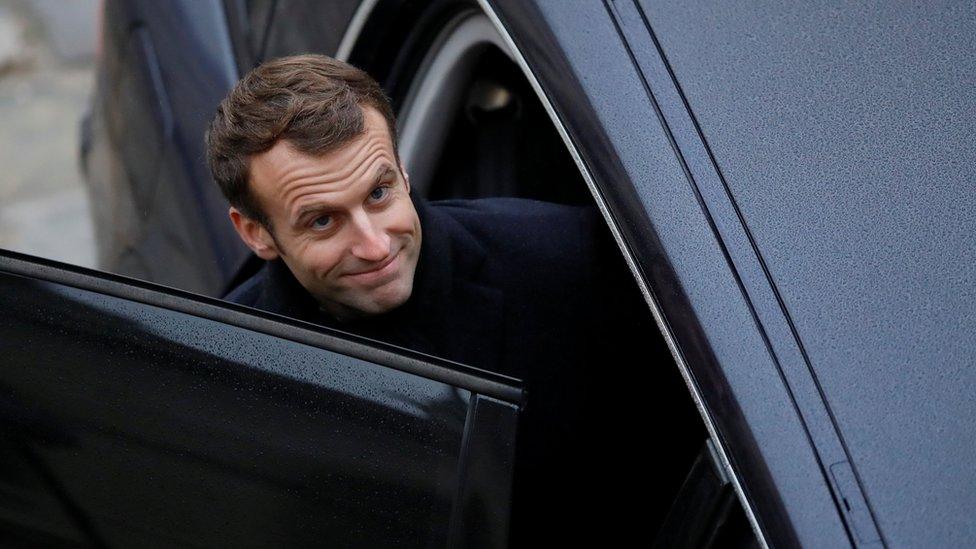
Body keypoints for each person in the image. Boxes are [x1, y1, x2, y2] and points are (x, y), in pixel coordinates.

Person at [205, 54, 691, 542]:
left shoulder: (572, 264)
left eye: (379, 194)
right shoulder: (220, 372)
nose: (376, 246)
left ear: (403, 172)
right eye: (323, 221)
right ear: (255, 233)